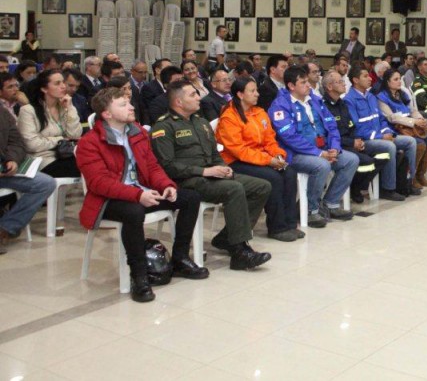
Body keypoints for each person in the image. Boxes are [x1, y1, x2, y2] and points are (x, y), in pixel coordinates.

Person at [76, 88, 207, 301]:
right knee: (134, 212)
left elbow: (152, 166)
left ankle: (180, 258)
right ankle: (139, 275)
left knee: (190, 198)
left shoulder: (137, 132)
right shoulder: (90, 142)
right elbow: (99, 183)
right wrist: (137, 195)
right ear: (107, 114)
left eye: (129, 103)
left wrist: (166, 185)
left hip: (140, 192)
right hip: (108, 200)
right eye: (123, 104)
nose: (131, 107)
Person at [150, 80, 272, 270]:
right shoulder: (163, 127)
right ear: (179, 102)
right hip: (188, 181)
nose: (199, 97)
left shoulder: (201, 123)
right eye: (192, 95)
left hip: (212, 175)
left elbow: (215, 153)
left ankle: (226, 237)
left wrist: (223, 167)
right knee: (234, 188)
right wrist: (205, 171)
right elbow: (167, 166)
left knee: (261, 186)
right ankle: (239, 251)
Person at [269, 66, 358, 224]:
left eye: (308, 82)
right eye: (303, 82)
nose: (308, 85)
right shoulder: (279, 106)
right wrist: (318, 153)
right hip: (295, 154)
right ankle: (311, 210)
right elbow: (289, 137)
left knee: (351, 160)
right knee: (321, 165)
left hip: (323, 149)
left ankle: (330, 203)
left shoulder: (315, 100)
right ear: (291, 86)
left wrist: (334, 148)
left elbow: (331, 126)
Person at [216, 78, 301, 242]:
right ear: (240, 94)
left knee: (289, 172)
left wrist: (277, 155)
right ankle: (277, 227)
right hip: (236, 161)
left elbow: (270, 139)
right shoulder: (229, 117)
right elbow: (239, 150)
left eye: (256, 90)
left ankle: (290, 224)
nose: (257, 94)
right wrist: (268, 161)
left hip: (261, 157)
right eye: (252, 91)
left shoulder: (259, 112)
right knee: (274, 178)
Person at [346, 65, 419, 197]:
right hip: (365, 140)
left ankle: (408, 182)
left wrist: (387, 132)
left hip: (380, 136)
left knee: (410, 142)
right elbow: (356, 127)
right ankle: (388, 188)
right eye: (365, 76)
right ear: (355, 80)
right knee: (389, 146)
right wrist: (380, 136)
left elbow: (381, 119)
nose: (370, 78)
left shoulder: (370, 96)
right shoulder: (349, 100)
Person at [320, 70, 391, 203]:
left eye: (342, 81)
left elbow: (351, 126)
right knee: (366, 161)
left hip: (352, 142)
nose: (344, 84)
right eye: (339, 81)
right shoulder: (324, 106)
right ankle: (355, 188)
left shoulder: (342, 103)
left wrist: (357, 141)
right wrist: (352, 143)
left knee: (384, 154)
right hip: (338, 146)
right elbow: (329, 134)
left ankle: (358, 186)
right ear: (329, 87)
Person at [0, 105, 56, 253]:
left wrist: (13, 160)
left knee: (45, 183)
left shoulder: (3, 112)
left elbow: (16, 142)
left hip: (4, 169)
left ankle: (5, 228)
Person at [376, 69, 427, 188]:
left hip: (412, 127)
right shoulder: (381, 97)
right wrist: (414, 122)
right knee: (420, 144)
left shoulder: (402, 94)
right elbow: (392, 117)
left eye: (399, 79)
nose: (399, 81)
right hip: (396, 128)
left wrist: (421, 120)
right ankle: (412, 176)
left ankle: (421, 174)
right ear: (387, 82)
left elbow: (412, 110)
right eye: (395, 79)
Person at [18, 69, 83, 178]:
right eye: (57, 83)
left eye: (63, 82)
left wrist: (70, 108)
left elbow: (75, 135)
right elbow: (32, 144)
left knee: (95, 162)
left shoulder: (64, 107)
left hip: (66, 154)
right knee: (85, 167)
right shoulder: (28, 110)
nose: (63, 86)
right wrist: (59, 139)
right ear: (44, 88)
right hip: (42, 159)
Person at [139, 58, 172, 125]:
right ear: (157, 70)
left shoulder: (172, 86)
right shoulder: (149, 88)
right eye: (168, 68)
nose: (171, 71)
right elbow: (149, 111)